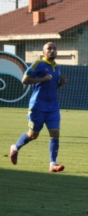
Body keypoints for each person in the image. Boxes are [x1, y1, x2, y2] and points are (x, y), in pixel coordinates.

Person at [9, 42, 68, 172]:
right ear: (43, 52)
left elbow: (53, 86)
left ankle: (52, 163)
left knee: (55, 133)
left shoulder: (57, 67)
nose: (52, 50)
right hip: (37, 106)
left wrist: (61, 83)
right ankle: (15, 147)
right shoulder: (38, 64)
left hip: (53, 106)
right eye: (49, 49)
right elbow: (25, 79)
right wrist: (42, 79)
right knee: (33, 135)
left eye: (54, 48)